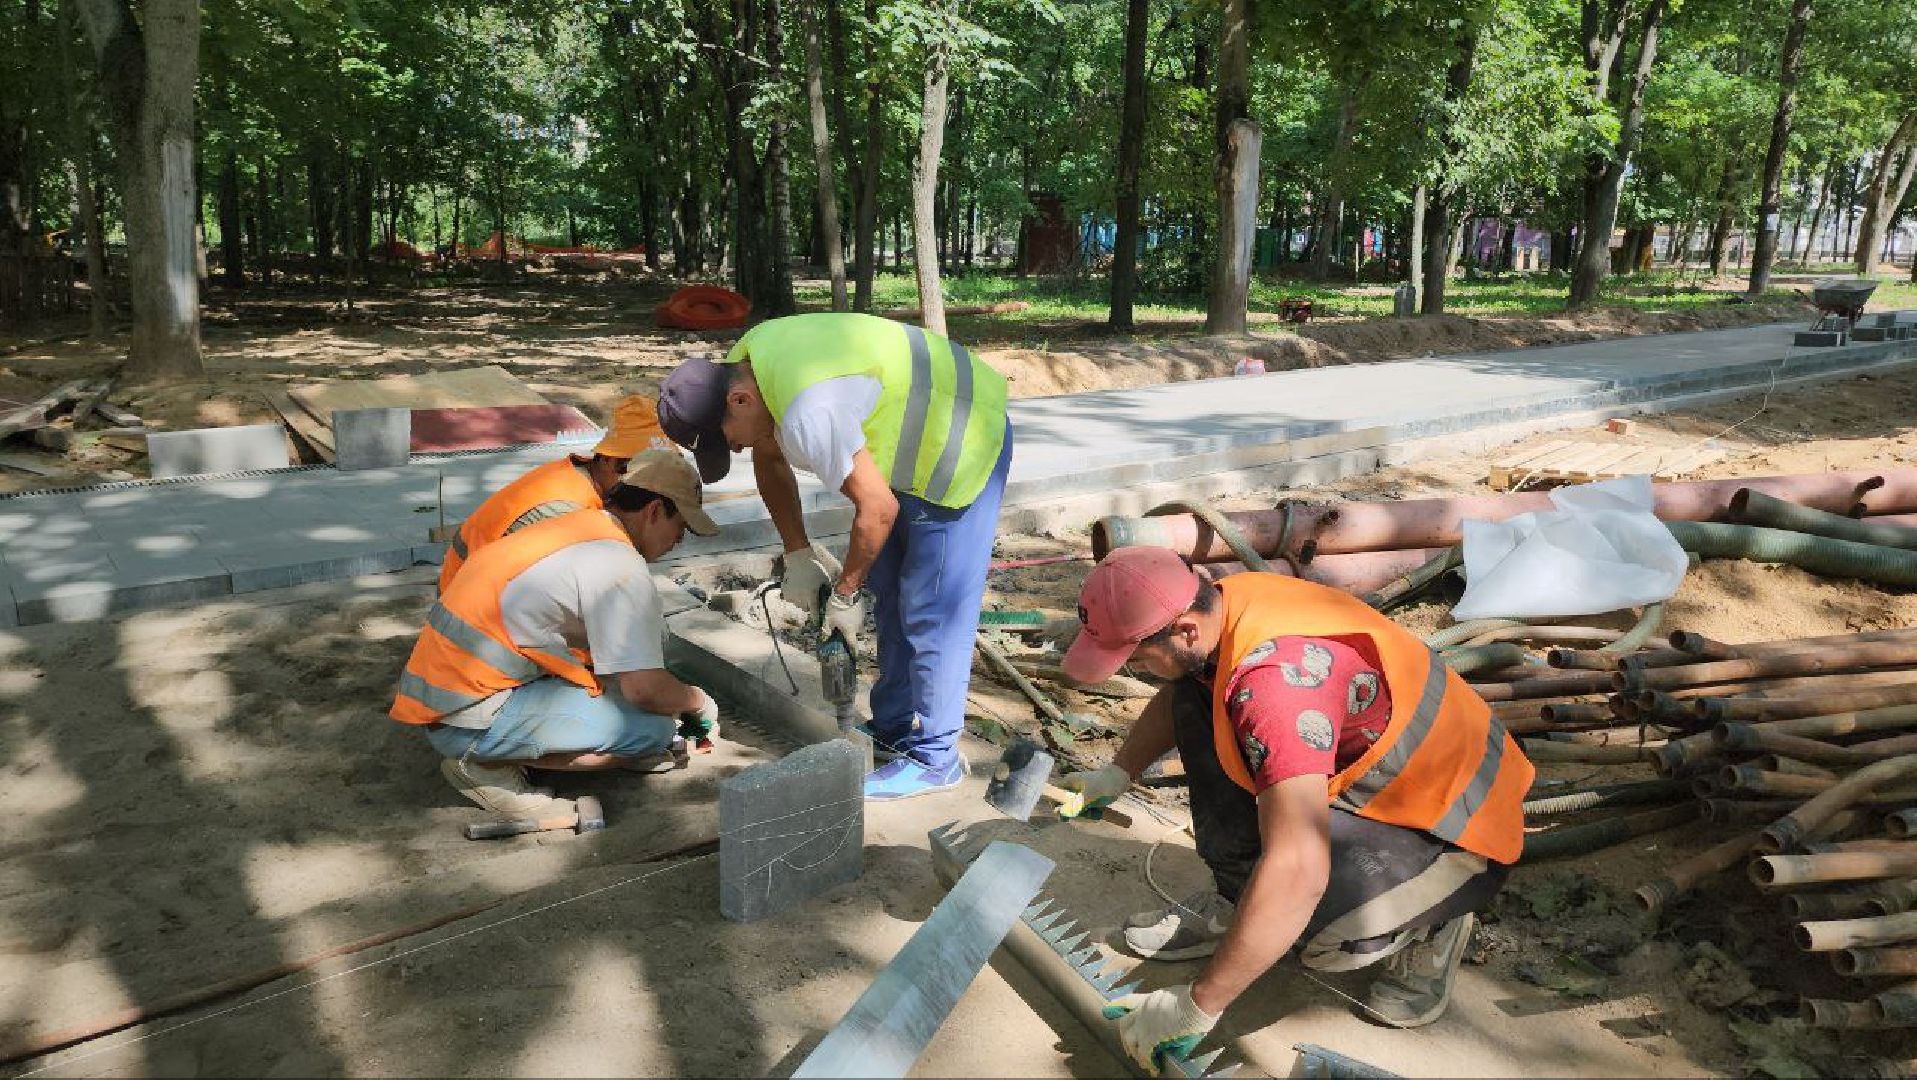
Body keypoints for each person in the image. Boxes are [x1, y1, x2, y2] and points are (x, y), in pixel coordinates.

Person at [1054, 547, 1532, 1076]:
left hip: (1451, 812)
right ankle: (1240, 906)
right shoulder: (1221, 610)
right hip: (1368, 763)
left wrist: (1198, 1005)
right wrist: (1118, 772)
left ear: (1185, 629)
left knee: (1318, 933)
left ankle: (1436, 921)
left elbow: (1298, 869)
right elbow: (1182, 693)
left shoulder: (1274, 689)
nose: (1136, 671)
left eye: (1138, 658)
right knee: (1198, 704)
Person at [657, 313, 1013, 800]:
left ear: (738, 399)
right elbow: (768, 455)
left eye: (728, 438)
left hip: (961, 438)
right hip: (907, 453)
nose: (735, 448)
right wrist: (797, 550)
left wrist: (844, 592)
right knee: (888, 591)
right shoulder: (750, 362)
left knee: (932, 608)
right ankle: (891, 728)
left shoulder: (809, 411)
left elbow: (877, 507)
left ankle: (937, 757)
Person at [391, 448, 723, 818]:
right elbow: (643, 689)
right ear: (655, 511)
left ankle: (499, 746)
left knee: (621, 695)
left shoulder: (576, 525)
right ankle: (484, 764)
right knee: (655, 731)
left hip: (444, 698)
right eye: (681, 527)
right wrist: (696, 701)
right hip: (464, 722)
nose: (680, 540)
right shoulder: (619, 567)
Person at [438, 395, 672, 592]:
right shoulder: (566, 512)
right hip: (471, 607)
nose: (647, 488)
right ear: (609, 460)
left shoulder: (576, 478)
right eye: (639, 476)